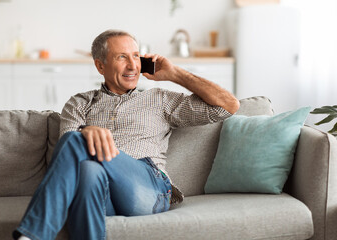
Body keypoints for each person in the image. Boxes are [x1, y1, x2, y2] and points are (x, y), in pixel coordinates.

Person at [13, 29, 239, 240]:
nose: (133, 66)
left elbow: (228, 105)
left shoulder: (159, 99)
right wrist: (86, 131)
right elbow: (67, 152)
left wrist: (175, 74)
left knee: (77, 139)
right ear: (100, 66)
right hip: (103, 193)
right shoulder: (80, 103)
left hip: (147, 189)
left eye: (136, 56)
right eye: (122, 57)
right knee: (87, 170)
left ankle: (33, 234)